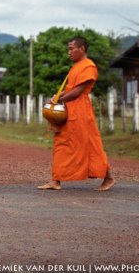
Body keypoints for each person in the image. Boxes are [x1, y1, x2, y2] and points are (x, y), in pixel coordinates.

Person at [38, 36, 116, 191]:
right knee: (61, 143)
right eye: (68, 49)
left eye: (71, 48)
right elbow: (69, 91)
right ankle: (55, 180)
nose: (69, 52)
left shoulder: (89, 67)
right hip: (68, 110)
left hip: (81, 111)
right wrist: (55, 98)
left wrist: (58, 101)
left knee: (89, 145)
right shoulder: (76, 67)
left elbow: (78, 92)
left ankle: (109, 178)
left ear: (82, 49)